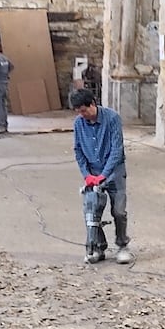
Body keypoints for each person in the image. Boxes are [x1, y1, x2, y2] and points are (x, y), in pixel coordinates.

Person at [71, 89, 131, 264]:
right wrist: (87, 174)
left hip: (114, 171)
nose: (82, 115)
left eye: (84, 110)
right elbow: (78, 150)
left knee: (118, 211)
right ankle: (98, 246)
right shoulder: (78, 123)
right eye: (78, 112)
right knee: (91, 211)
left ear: (92, 104)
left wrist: (104, 175)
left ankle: (122, 245)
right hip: (92, 171)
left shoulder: (112, 118)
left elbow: (117, 150)